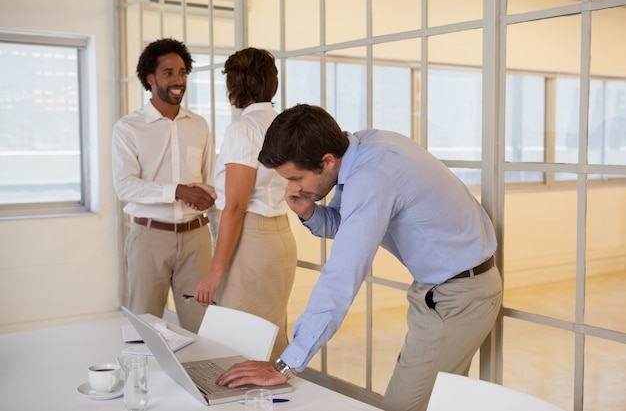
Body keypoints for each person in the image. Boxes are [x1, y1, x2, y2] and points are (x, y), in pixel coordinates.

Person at [216, 104, 503, 411]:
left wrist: (285, 365)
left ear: (327, 161)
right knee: (438, 401)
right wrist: (310, 212)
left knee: (402, 405)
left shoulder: (372, 175)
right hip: (445, 289)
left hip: (459, 297)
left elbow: (341, 275)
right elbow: (348, 220)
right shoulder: (364, 149)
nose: (292, 188)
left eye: (296, 177)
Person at [192, 47, 297, 362]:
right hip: (279, 237)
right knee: (270, 334)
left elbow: (236, 208)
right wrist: (218, 190)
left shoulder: (243, 129)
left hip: (250, 242)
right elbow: (265, 183)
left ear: (236, 84)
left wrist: (213, 273)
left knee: (239, 343)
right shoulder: (282, 124)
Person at [112, 38, 217, 333]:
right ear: (151, 78)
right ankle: (139, 379)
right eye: (169, 72)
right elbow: (125, 186)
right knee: (143, 327)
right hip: (149, 238)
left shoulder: (199, 126)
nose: (178, 80)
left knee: (203, 327)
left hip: (196, 239)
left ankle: (198, 380)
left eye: (182, 72)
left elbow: (208, 184)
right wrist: (177, 191)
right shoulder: (128, 128)